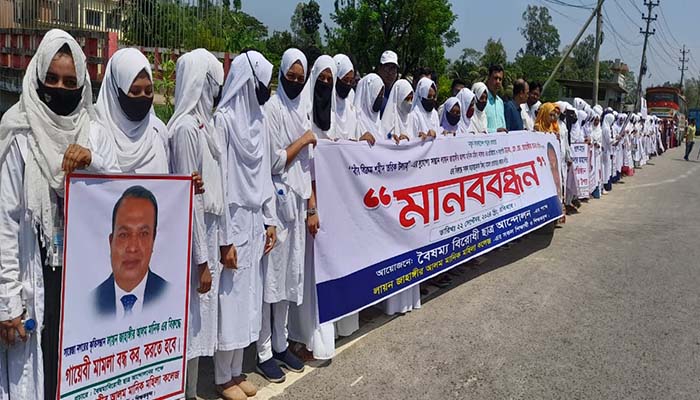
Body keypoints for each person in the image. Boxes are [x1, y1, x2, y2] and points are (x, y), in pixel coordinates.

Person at [0, 28, 119, 400]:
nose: (59, 88)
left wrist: (91, 161)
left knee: (78, 367)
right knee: (38, 369)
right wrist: (8, 301)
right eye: (51, 79)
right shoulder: (20, 131)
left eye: (69, 81)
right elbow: (6, 221)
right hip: (35, 271)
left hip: (83, 273)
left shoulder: (94, 134)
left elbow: (120, 193)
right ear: (36, 76)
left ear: (82, 83)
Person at [213, 49, 277, 400]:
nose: (266, 89)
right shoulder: (223, 121)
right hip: (232, 220)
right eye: (262, 83)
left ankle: (238, 371)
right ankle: (222, 376)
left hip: (254, 220)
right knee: (231, 299)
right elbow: (220, 182)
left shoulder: (259, 120)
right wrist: (224, 239)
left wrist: (270, 219)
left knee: (250, 298)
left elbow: (265, 173)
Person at [167, 48, 226, 400]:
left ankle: (189, 390)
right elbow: (191, 199)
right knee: (189, 323)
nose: (215, 93)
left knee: (198, 323)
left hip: (209, 230)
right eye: (212, 85)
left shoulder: (206, 126)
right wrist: (201, 260)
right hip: (194, 238)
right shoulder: (186, 130)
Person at [257, 48, 312, 384]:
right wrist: (303, 140)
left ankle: (281, 343)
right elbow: (276, 161)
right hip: (277, 203)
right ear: (281, 74)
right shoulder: (273, 109)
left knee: (290, 277)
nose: (295, 82)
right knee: (271, 281)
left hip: (297, 201)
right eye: (290, 76)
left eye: (299, 78)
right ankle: (263, 350)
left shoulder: (302, 107)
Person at [93, 185, 169, 317]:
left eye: (143, 234)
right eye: (124, 235)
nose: (132, 248)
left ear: (153, 240)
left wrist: (190, 189)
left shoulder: (169, 295)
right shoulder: (91, 302)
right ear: (111, 242)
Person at [95, 48, 169, 174]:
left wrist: (189, 183)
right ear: (116, 91)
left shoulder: (157, 131)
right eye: (135, 91)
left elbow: (169, 179)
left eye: (148, 91)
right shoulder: (95, 132)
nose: (143, 96)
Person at [354, 73, 385, 145]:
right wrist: (360, 140)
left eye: (382, 95)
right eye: (378, 94)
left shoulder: (379, 123)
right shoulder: (355, 121)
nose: (380, 98)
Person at [332, 54, 358, 141]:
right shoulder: (326, 105)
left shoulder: (350, 109)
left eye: (351, 81)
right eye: (345, 80)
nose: (348, 84)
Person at [380, 79, 414, 144]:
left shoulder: (413, 118)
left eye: (411, 99)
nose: (410, 102)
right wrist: (393, 138)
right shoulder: (389, 121)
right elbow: (385, 136)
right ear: (398, 98)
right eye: (407, 99)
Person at [410, 77, 439, 142]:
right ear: (421, 96)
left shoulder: (434, 114)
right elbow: (411, 140)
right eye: (429, 96)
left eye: (434, 96)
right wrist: (420, 138)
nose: (432, 99)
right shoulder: (414, 114)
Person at [484, 64, 507, 133]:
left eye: (500, 79)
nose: (498, 82)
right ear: (488, 78)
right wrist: (495, 131)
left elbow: (503, 126)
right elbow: (479, 128)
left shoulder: (500, 102)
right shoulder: (482, 100)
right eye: (495, 78)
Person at [377, 50, 399, 116]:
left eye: (393, 68)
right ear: (379, 68)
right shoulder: (373, 92)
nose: (390, 73)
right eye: (387, 68)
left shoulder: (397, 94)